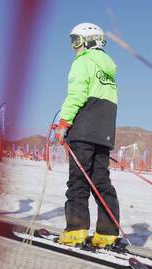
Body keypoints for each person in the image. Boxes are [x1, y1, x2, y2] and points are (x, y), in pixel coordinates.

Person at [54, 23, 120, 248]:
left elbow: (77, 94)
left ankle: (76, 229)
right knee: (101, 180)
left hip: (83, 130)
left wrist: (64, 122)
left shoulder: (83, 62)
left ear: (89, 40)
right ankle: (108, 232)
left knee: (78, 181)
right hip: (104, 133)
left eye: (76, 40)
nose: (74, 47)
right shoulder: (108, 70)